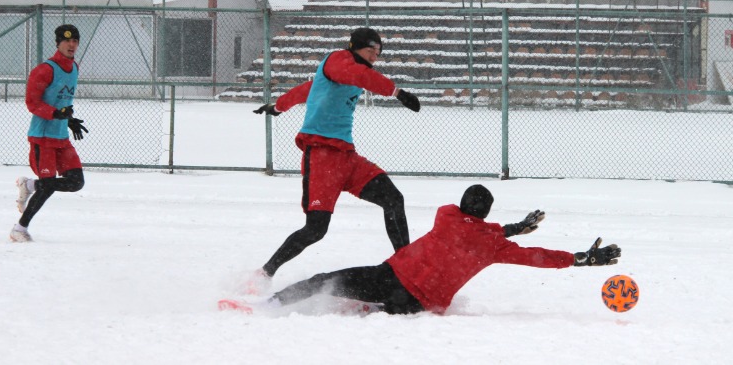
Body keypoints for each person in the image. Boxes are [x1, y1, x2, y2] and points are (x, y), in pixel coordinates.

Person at [222, 184, 620, 315]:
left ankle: (268, 306)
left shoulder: (446, 216)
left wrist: (515, 226)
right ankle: (369, 306)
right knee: (375, 306)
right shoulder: (494, 245)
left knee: (323, 280)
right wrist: (583, 259)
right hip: (420, 302)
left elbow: (473, 228)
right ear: (488, 216)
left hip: (390, 277)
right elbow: (537, 257)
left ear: (463, 205)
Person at [249, 27, 422, 288]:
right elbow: (357, 74)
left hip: (346, 157)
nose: (375, 56)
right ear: (354, 47)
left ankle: (406, 268)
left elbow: (307, 90)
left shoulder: (350, 73)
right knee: (316, 229)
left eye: (378, 52)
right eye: (370, 50)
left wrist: (278, 106)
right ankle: (264, 274)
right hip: (321, 157)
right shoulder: (338, 60)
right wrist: (397, 92)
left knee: (393, 199)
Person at [11, 24, 89, 242]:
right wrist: (55, 114)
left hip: (61, 137)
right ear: (58, 43)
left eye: (75, 40)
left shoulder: (74, 67)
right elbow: (32, 103)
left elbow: (63, 102)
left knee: (76, 182)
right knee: (47, 185)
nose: (72, 44)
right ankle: (19, 229)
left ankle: (28, 185)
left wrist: (69, 119)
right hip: (42, 137)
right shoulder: (45, 69)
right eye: (67, 41)